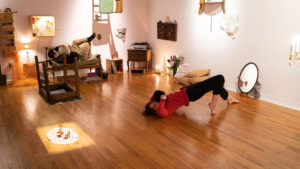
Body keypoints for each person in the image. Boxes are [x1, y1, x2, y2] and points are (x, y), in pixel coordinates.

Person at [145, 74, 240, 117]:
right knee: (220, 79)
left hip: (186, 90)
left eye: (153, 103)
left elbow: (154, 96)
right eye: (154, 106)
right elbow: (162, 113)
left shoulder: (160, 101)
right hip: (191, 94)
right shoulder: (164, 110)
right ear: (155, 111)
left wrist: (156, 100)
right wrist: (161, 101)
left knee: (214, 84)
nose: (155, 103)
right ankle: (213, 105)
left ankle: (228, 98)